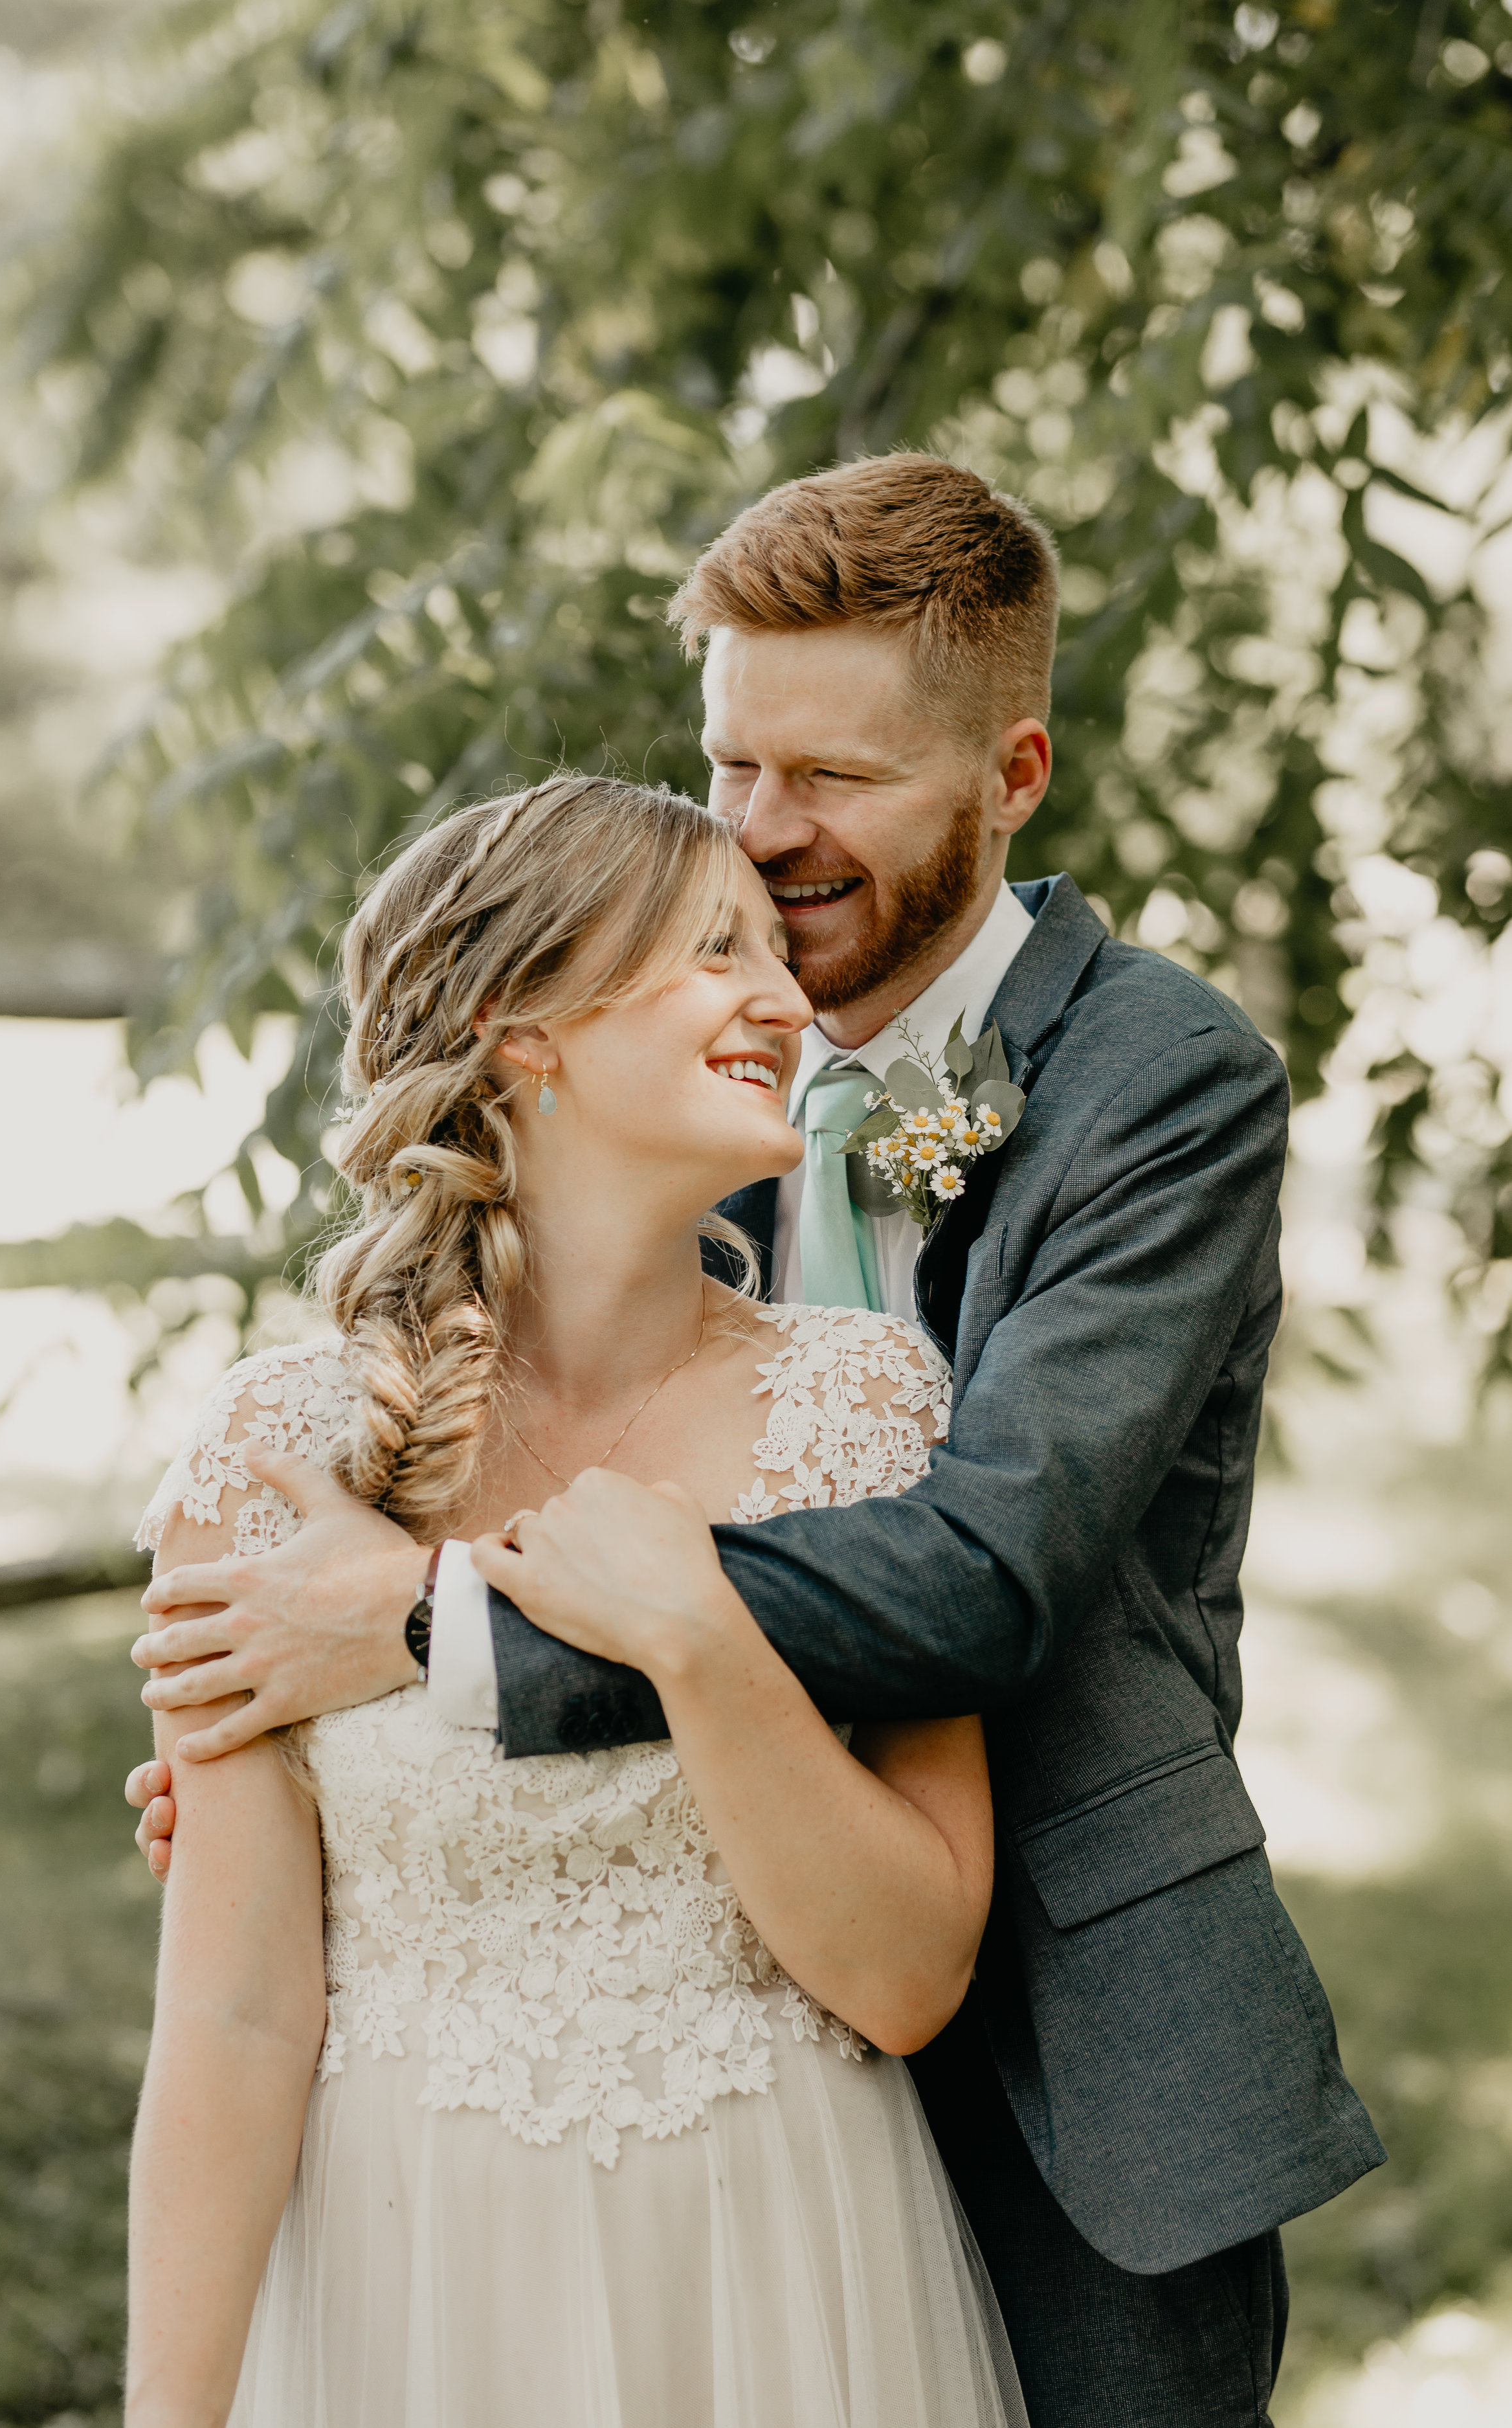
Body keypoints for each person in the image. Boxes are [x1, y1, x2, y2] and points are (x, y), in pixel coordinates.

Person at [129, 455, 1384, 2427]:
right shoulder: (682, 1074)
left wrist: (429, 1642)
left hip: (1065, 2015)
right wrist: (340, 1777)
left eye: (838, 781)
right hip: (549, 2117)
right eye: (731, 767)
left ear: (1012, 773)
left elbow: (991, 1564)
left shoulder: (1158, 1080)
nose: (767, 835)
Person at [125, 773, 1029, 2427]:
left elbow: (905, 1977)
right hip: (412, 2280)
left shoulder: (866, 1410)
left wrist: (693, 1634)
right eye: (709, 952)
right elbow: (237, 2013)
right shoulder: (277, 1450)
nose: (780, 994)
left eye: (774, 950)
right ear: (520, 1031)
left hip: (779, 2269)